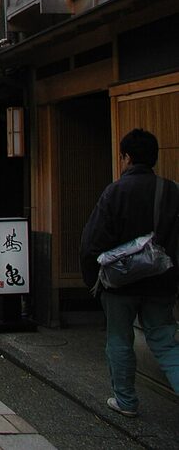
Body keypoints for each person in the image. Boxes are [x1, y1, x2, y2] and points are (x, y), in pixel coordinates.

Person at [79, 128, 179, 417]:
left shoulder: (115, 191)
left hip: (120, 282)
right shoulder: (171, 190)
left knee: (119, 339)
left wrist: (93, 280)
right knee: (164, 341)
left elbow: (92, 242)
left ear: (126, 157)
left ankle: (126, 400)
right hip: (162, 281)